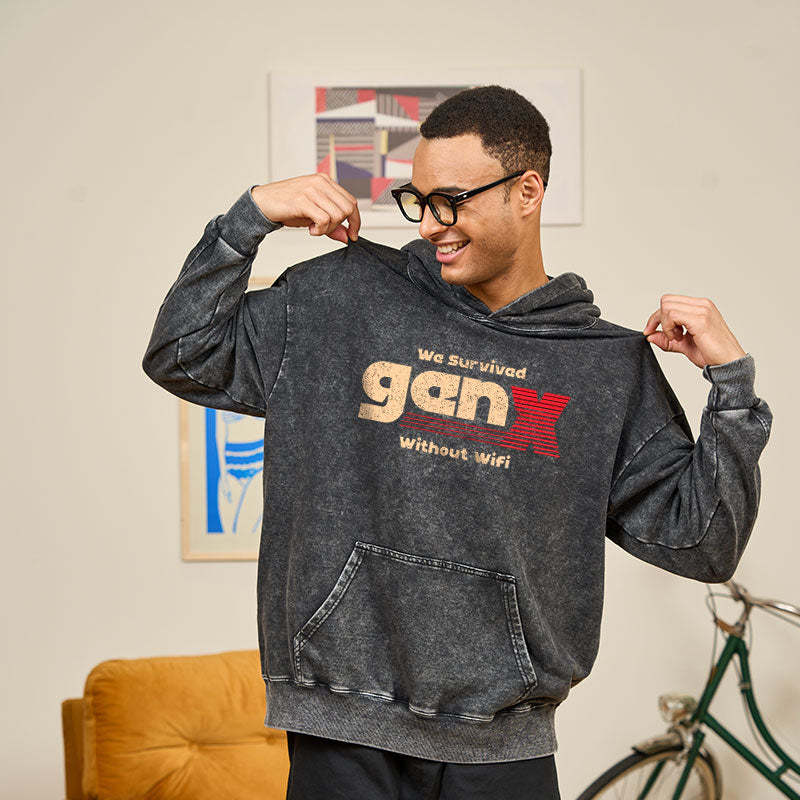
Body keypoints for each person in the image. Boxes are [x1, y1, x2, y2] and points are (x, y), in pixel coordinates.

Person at [141, 85, 773, 800]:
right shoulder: (339, 297)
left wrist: (732, 387)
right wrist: (248, 217)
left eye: (452, 201)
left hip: (502, 742)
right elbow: (183, 355)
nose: (430, 224)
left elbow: (702, 545)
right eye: (420, 200)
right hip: (340, 727)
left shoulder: (603, 368)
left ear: (527, 191)